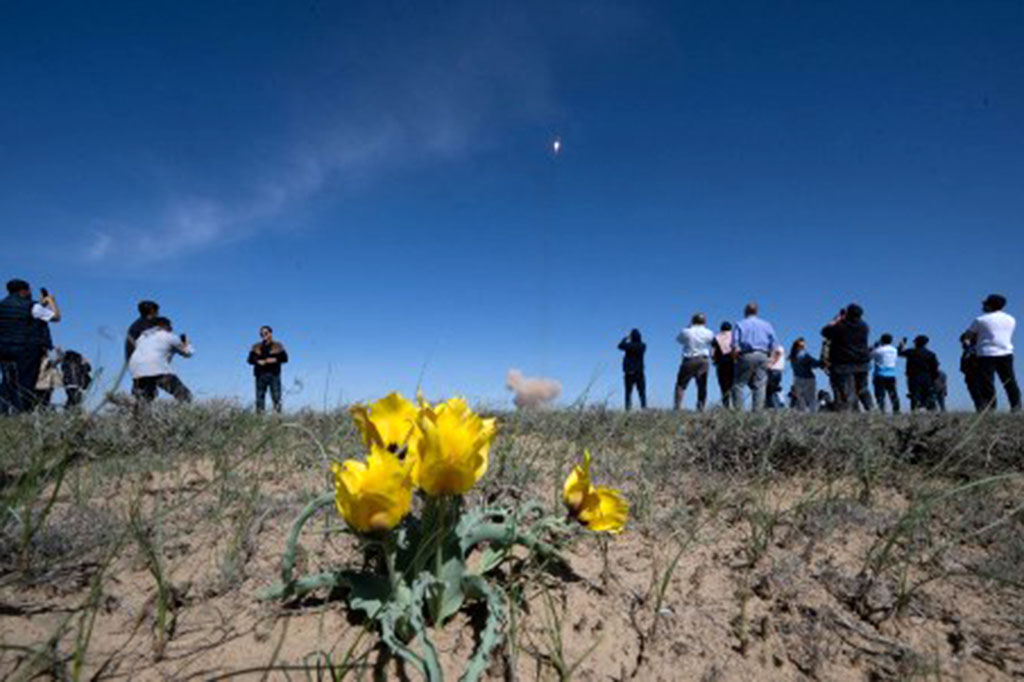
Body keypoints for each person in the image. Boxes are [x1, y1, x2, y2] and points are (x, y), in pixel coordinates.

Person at [0, 279, 61, 414]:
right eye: (28, 290)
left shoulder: (2, 305)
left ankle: (3, 414)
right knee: (25, 383)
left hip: (3, 349)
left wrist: (41, 304)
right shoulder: (32, 306)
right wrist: (51, 301)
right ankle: (20, 415)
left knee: (7, 381)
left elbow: (24, 317)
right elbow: (56, 317)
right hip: (26, 349)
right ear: (23, 291)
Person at [963, 294, 1020, 412]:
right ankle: (1016, 406)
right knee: (1009, 381)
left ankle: (990, 408)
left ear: (990, 305)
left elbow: (968, 336)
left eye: (985, 304)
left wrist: (968, 345)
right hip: (1006, 352)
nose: (983, 306)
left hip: (986, 353)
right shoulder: (1011, 319)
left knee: (987, 382)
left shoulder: (980, 320)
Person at [129, 317, 193, 405]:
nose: (172, 329)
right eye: (170, 327)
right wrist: (187, 343)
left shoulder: (141, 338)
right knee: (185, 396)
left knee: (143, 401)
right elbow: (188, 353)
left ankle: (137, 417)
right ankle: (180, 416)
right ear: (166, 326)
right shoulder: (169, 336)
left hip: (137, 371)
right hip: (158, 369)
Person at [821, 304, 872, 412]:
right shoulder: (864, 326)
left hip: (844, 363)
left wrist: (836, 320)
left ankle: (848, 413)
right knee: (863, 389)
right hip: (862, 362)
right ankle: (871, 409)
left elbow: (824, 332)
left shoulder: (841, 326)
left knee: (846, 391)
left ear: (848, 314)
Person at [730, 302, 778, 411]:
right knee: (760, 385)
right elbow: (774, 345)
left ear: (745, 311)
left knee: (739, 384)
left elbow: (735, 345)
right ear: (756, 311)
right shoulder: (767, 325)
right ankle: (757, 412)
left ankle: (738, 411)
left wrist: (735, 358)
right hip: (763, 355)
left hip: (746, 355)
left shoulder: (740, 324)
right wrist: (771, 360)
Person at [674, 313, 714, 411]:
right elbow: (711, 343)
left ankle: (677, 407)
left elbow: (679, 340)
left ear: (692, 320)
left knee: (681, 385)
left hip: (689, 359)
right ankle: (700, 408)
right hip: (703, 360)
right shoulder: (709, 332)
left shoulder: (686, 331)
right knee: (702, 386)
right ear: (704, 321)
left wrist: (688, 327)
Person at [248, 325, 289, 414]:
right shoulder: (256, 346)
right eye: (261, 334)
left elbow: (285, 358)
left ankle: (278, 418)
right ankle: (259, 418)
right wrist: (257, 361)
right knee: (259, 398)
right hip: (260, 375)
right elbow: (250, 360)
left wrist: (275, 359)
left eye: (265, 333)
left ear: (270, 333)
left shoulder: (278, 345)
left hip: (274, 375)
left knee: (276, 397)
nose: (263, 335)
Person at [898, 335, 940, 411]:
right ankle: (932, 413)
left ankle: (914, 412)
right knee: (928, 396)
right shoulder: (931, 354)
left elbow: (900, 353)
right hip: (927, 377)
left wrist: (902, 345)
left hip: (913, 377)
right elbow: (935, 368)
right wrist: (933, 379)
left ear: (916, 342)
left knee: (914, 396)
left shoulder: (911, 352)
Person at [789, 338, 821, 411]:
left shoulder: (792, 356)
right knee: (811, 398)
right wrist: (822, 363)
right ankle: (813, 414)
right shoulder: (804, 354)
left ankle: (803, 414)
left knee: (800, 398)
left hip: (797, 378)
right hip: (808, 378)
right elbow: (814, 364)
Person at [871, 334, 901, 414]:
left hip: (879, 374)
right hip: (891, 375)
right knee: (893, 394)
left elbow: (870, 356)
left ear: (881, 340)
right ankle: (896, 410)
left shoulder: (878, 350)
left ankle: (882, 411)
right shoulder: (895, 350)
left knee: (880, 395)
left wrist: (875, 346)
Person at [617, 329, 646, 411]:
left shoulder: (629, 346)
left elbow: (620, 346)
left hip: (629, 372)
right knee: (642, 392)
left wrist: (626, 338)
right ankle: (644, 408)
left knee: (628, 392)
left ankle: (628, 409)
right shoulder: (643, 346)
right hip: (640, 372)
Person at [958, 334, 985, 411]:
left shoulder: (976, 350)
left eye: (964, 341)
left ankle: (983, 408)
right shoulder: (966, 352)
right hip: (969, 375)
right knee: (974, 394)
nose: (963, 343)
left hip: (977, 375)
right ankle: (979, 408)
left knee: (979, 393)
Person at [712, 322, 735, 407]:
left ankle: (726, 406)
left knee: (723, 386)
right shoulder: (734, 336)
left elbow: (713, 352)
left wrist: (714, 360)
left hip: (721, 363)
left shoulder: (717, 337)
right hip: (733, 362)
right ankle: (737, 405)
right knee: (734, 385)